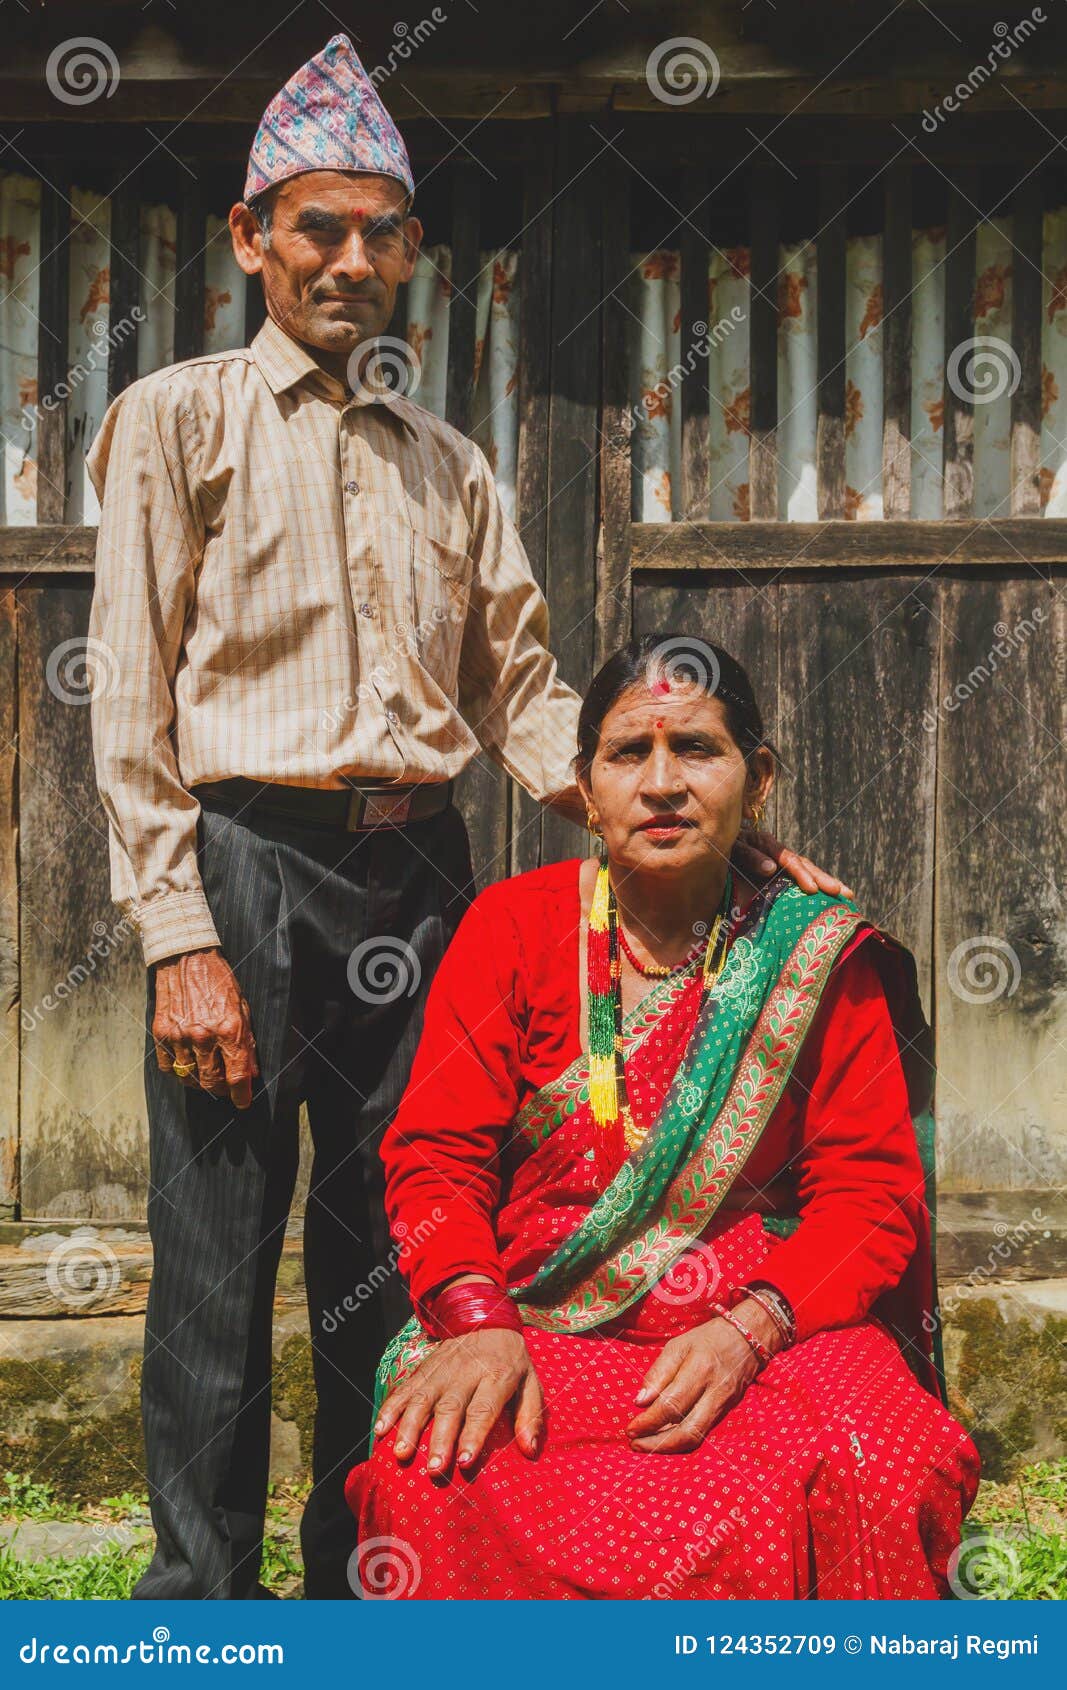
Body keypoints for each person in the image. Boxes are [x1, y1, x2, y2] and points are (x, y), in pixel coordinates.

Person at [86, 38, 843, 1601]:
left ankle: (353, 1575)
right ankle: (199, 1604)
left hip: (421, 871)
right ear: (252, 239)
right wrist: (179, 939)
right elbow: (130, 708)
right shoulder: (178, 422)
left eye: (378, 231)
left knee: (390, 1249)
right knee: (218, 1259)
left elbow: (525, 701)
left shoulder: (451, 465)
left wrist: (712, 835)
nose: (348, 259)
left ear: (413, 253)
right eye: (315, 228)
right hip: (242, 861)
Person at [345, 634, 980, 1600]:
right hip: (541, 1314)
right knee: (435, 1475)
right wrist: (476, 1321)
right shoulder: (512, 927)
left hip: (773, 1321)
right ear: (585, 788)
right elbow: (436, 1157)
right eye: (628, 754)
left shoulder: (813, 955)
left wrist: (750, 1327)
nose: (662, 782)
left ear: (755, 779)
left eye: (696, 748)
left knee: (879, 1465)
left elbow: (869, 1199)